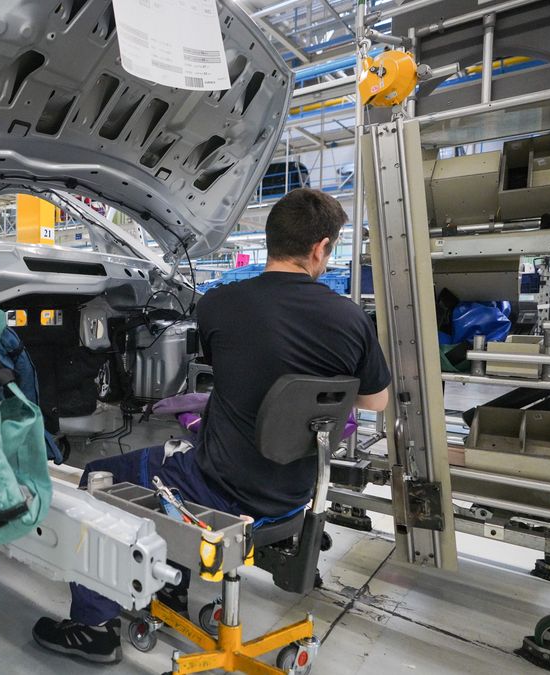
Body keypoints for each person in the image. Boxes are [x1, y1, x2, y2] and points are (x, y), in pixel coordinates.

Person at [31, 188, 392, 664]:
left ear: (271, 239)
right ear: (321, 247)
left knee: (101, 479)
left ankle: (92, 627)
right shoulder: (351, 318)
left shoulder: (220, 304)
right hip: (294, 494)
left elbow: (222, 368)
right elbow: (376, 401)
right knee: (175, 461)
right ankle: (169, 585)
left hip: (221, 489)